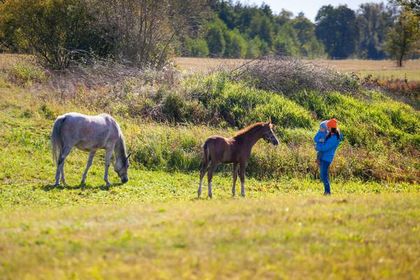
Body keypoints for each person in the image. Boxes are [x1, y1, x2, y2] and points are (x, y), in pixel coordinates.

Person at [315, 118, 343, 195]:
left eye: (328, 127)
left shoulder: (334, 138)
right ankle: (327, 191)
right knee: (323, 175)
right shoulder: (331, 134)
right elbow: (319, 139)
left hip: (327, 158)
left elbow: (325, 147)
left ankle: (327, 192)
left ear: (332, 127)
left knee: (324, 175)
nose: (327, 128)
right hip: (323, 156)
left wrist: (318, 147)